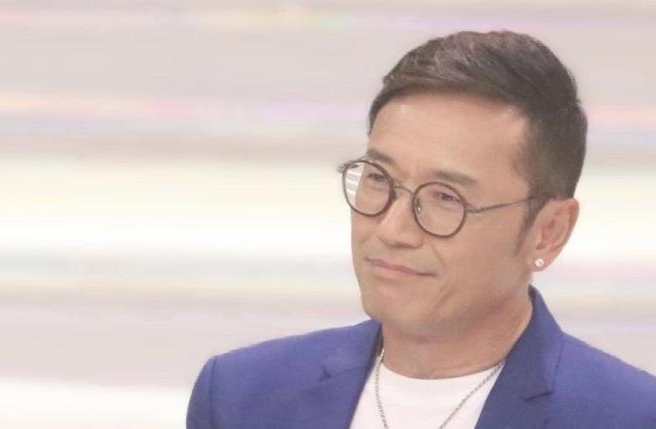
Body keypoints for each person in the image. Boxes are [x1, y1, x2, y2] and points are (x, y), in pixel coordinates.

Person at [187, 30, 656, 429]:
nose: (392, 230)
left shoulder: (629, 416)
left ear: (548, 232)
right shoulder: (241, 397)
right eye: (379, 180)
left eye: (446, 198)